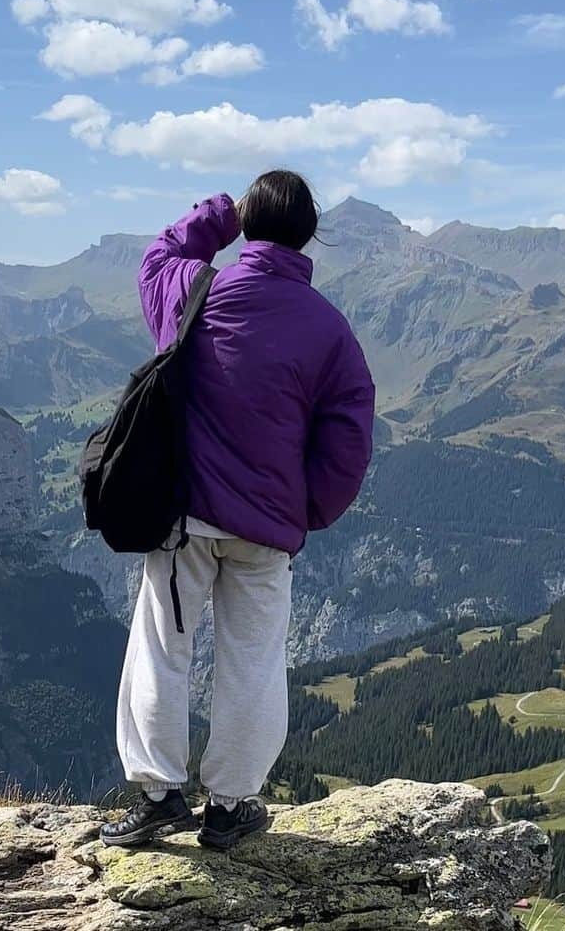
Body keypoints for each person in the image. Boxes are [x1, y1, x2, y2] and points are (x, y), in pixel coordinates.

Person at [100, 170, 375, 850]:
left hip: (184, 519)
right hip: (267, 531)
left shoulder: (198, 293)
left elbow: (157, 257)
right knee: (253, 663)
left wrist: (220, 214)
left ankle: (160, 795)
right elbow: (349, 437)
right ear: (310, 235)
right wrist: (307, 508)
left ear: (251, 224)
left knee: (164, 648)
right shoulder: (330, 331)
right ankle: (229, 809)